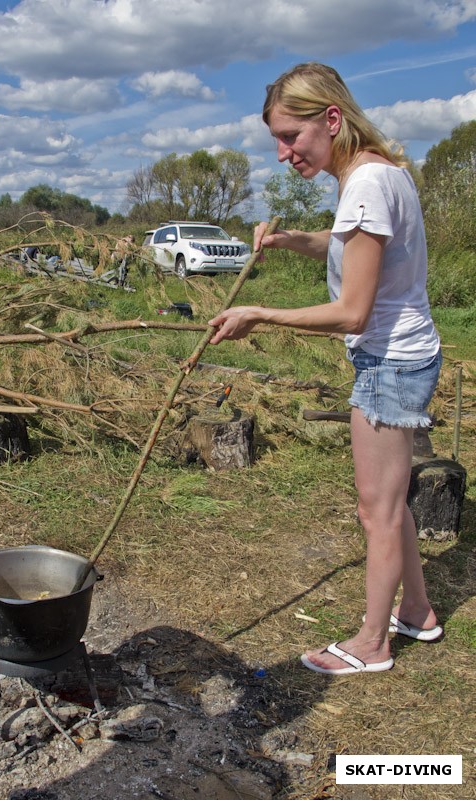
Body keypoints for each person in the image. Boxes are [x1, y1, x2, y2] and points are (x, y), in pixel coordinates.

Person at [209, 63, 442, 675]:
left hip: (390, 360)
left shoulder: (364, 184)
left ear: (331, 119)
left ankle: (371, 643)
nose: (285, 154)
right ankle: (415, 610)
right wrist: (288, 241)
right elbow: (347, 245)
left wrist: (261, 313)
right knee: (391, 502)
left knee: (378, 511)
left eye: (292, 137)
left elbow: (352, 310)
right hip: (400, 353)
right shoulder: (376, 172)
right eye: (278, 142)